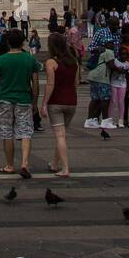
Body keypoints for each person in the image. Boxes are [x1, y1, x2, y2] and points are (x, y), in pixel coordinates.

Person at [0, 29, 39, 178]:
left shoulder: (1, 60)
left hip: (5, 99)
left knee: (7, 132)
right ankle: (24, 163)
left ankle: (10, 165)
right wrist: (35, 102)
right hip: (24, 99)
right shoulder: (29, 59)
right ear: (23, 42)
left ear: (7, 42)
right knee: (25, 131)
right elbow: (36, 83)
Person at [41, 31, 78, 177]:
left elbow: (50, 84)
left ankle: (65, 168)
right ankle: (55, 164)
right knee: (61, 135)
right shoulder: (74, 61)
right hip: (71, 102)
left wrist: (44, 103)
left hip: (56, 102)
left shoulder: (51, 62)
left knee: (59, 136)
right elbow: (75, 83)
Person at [84, 44, 116, 128]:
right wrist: (122, 69)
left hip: (93, 76)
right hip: (102, 77)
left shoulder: (100, 52)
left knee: (95, 99)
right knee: (105, 99)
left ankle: (89, 121)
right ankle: (105, 121)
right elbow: (111, 65)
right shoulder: (109, 52)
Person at [108, 45, 129, 128]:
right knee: (113, 101)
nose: (124, 56)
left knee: (121, 102)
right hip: (113, 83)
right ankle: (110, 119)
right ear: (119, 54)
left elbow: (128, 76)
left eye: (125, 54)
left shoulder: (128, 64)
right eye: (122, 54)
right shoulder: (115, 62)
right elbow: (111, 71)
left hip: (122, 84)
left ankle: (120, 120)